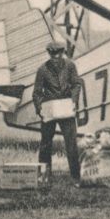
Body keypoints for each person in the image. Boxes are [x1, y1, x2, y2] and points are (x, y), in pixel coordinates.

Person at [32, 41, 84, 186]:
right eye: (52, 54)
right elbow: (36, 93)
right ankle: (44, 177)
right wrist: (40, 109)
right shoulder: (42, 70)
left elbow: (76, 84)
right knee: (45, 144)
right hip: (49, 109)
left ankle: (76, 177)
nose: (55, 57)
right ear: (49, 54)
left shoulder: (70, 66)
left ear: (62, 53)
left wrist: (73, 101)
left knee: (71, 144)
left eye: (58, 53)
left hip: (66, 108)